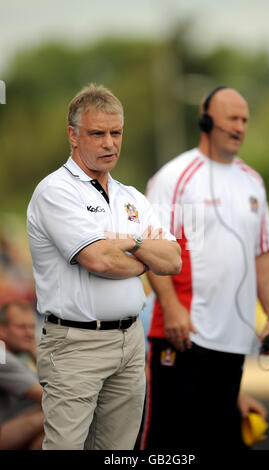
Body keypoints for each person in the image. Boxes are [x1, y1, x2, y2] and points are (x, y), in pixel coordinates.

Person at [26, 84, 181, 450]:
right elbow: (98, 260)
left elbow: (172, 260)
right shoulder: (55, 191)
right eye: (97, 133)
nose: (109, 143)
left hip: (129, 341)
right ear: (73, 134)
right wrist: (144, 257)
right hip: (75, 344)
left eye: (116, 133)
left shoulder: (132, 197)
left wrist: (132, 242)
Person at [140, 86, 269, 450]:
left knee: (219, 439)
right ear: (206, 120)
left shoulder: (253, 181)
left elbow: (264, 253)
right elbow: (153, 248)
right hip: (183, 333)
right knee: (168, 443)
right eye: (232, 118)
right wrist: (171, 307)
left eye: (245, 120)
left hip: (232, 340)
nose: (240, 127)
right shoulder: (174, 176)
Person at [0, 301, 44, 450]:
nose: (30, 334)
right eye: (21, 327)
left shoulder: (13, 355)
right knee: (62, 412)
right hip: (5, 431)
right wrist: (34, 351)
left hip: (11, 424)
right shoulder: (2, 357)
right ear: (2, 330)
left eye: (32, 327)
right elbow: (46, 396)